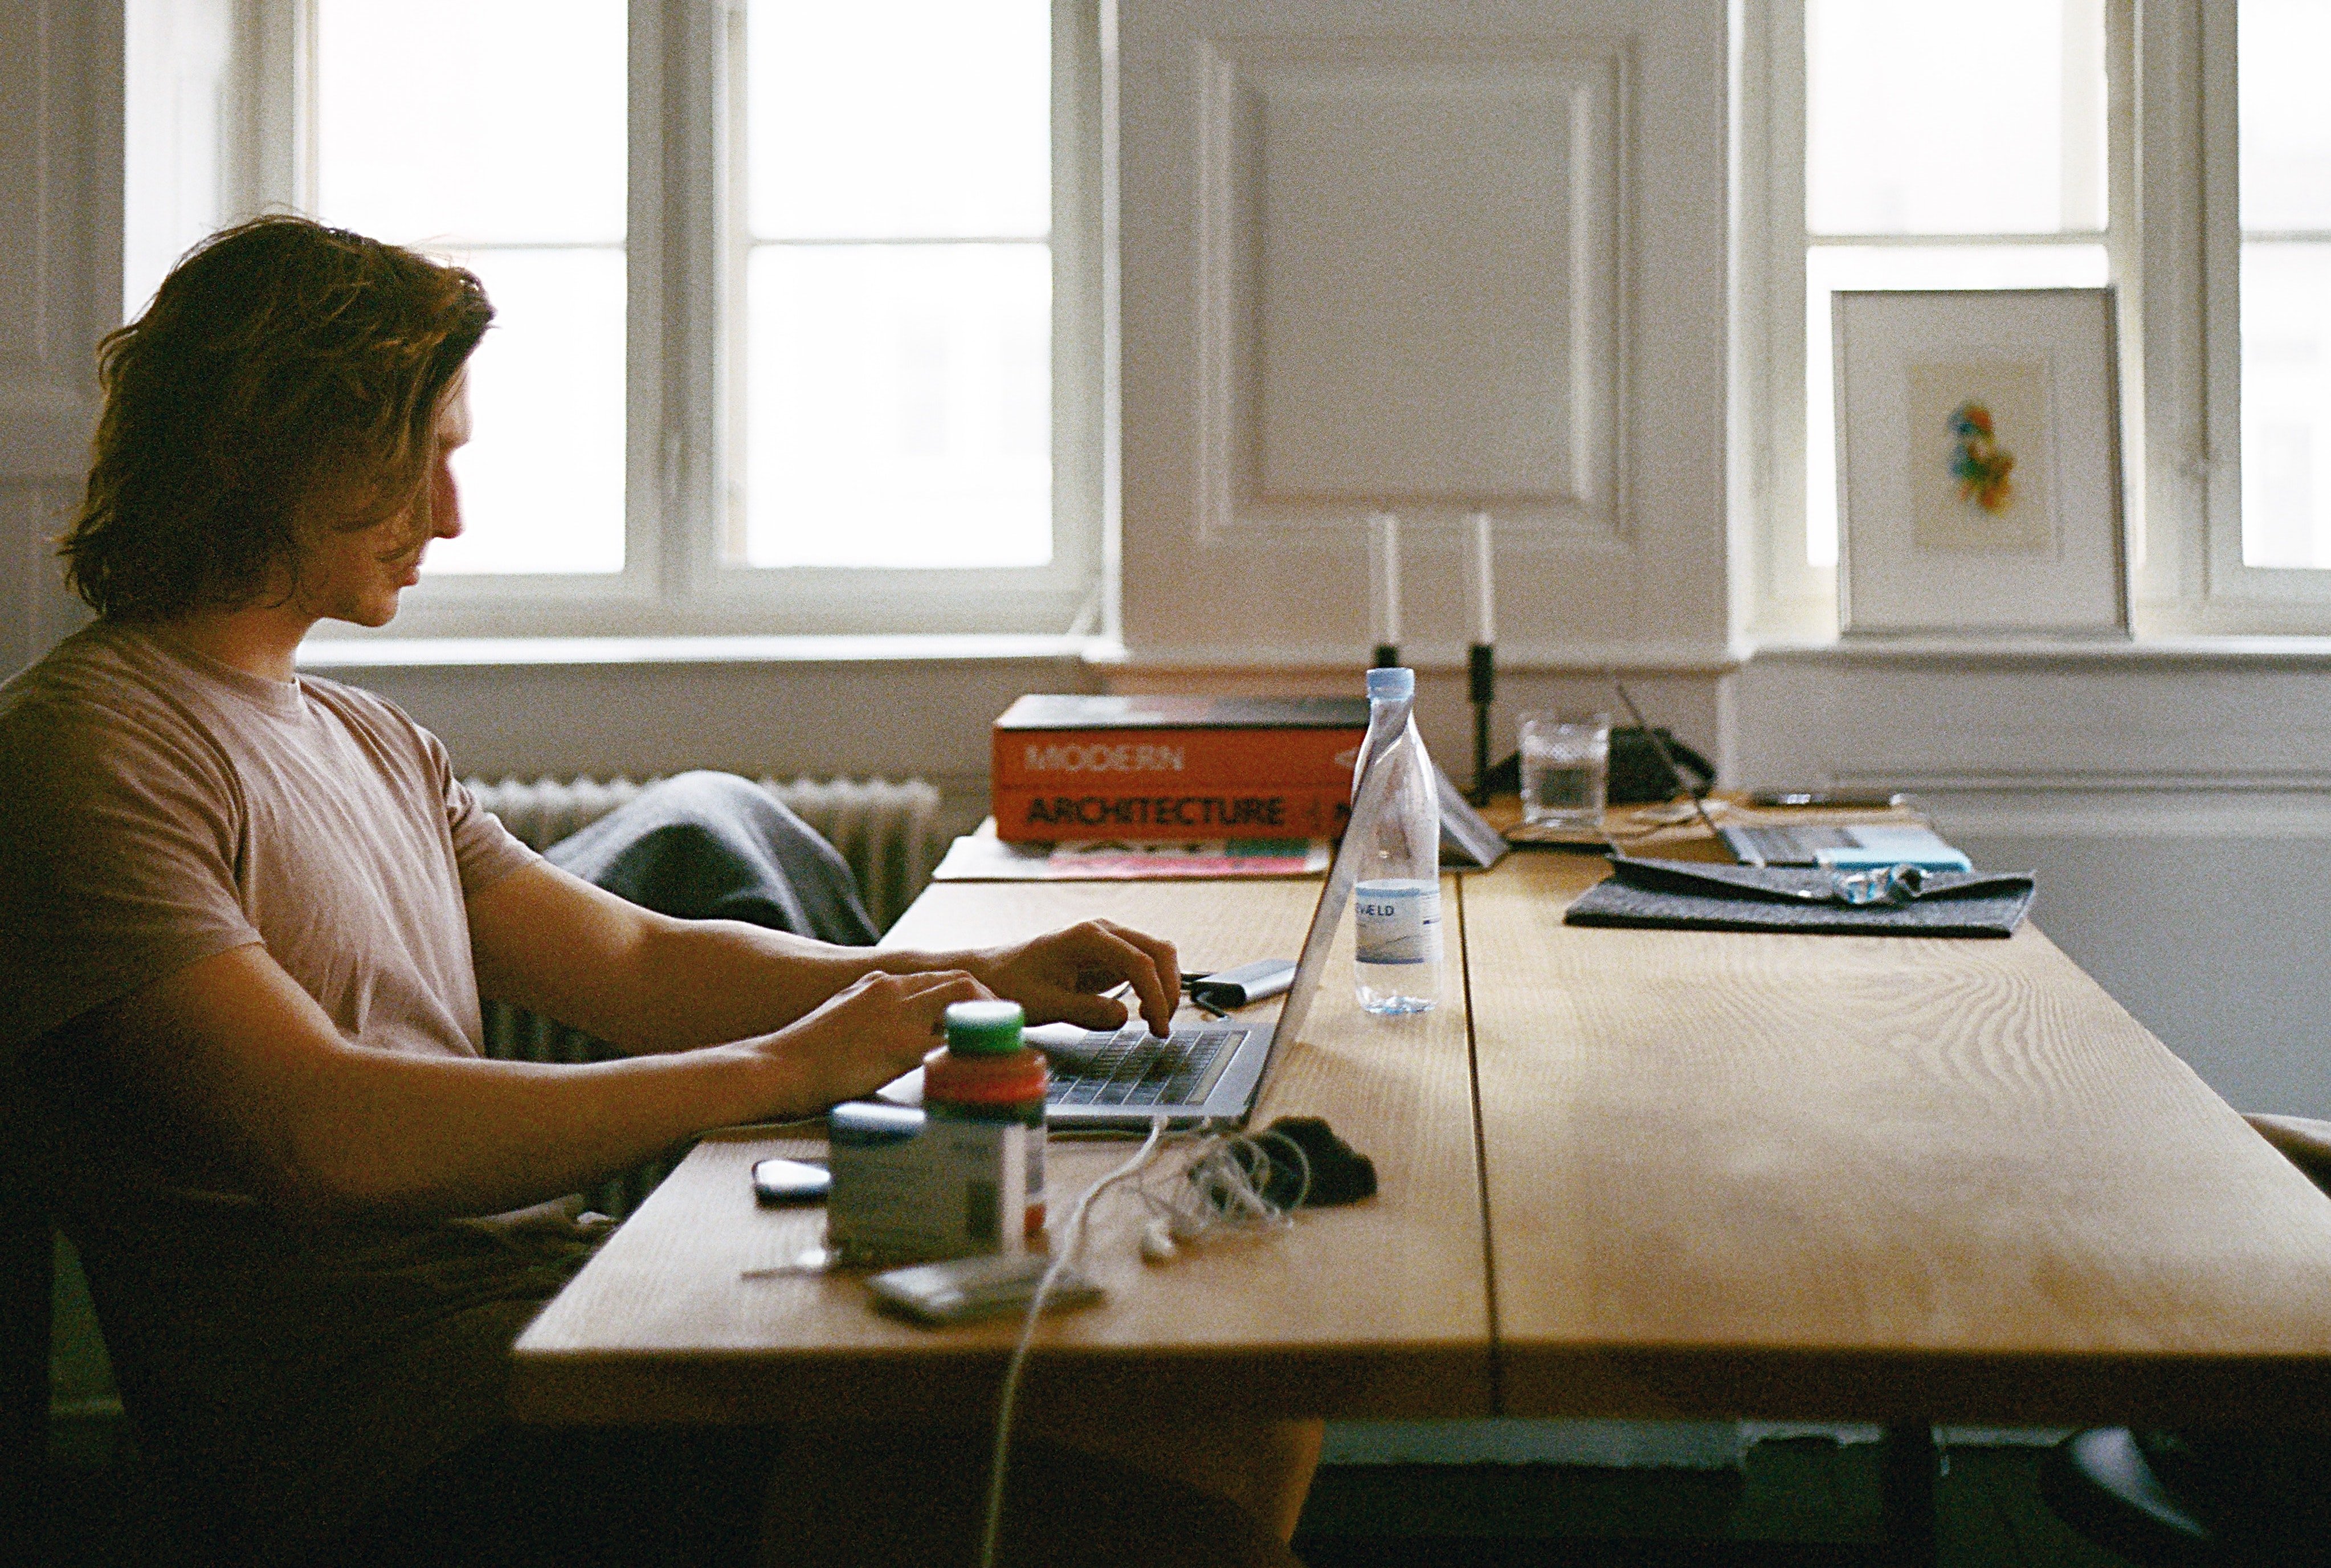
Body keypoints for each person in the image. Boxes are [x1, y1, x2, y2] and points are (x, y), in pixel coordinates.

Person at [0, 216, 1319, 1566]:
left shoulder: (369, 736)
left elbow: (630, 960)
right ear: (275, 448)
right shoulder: (89, 750)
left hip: (551, 1312)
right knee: (1168, 1519)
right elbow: (327, 1137)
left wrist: (969, 982)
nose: (448, 515)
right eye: (419, 464)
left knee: (1242, 1400)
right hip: (402, 1441)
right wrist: (780, 1064)